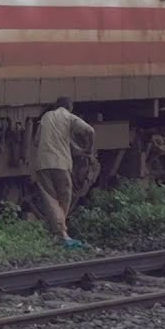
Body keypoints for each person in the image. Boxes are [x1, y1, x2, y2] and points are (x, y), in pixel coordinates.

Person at [33, 96, 96, 249]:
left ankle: (57, 231)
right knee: (65, 197)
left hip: (42, 163)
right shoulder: (68, 117)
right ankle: (62, 232)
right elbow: (90, 130)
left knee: (50, 198)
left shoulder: (46, 117)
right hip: (60, 163)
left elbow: (36, 141)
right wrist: (89, 148)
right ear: (70, 107)